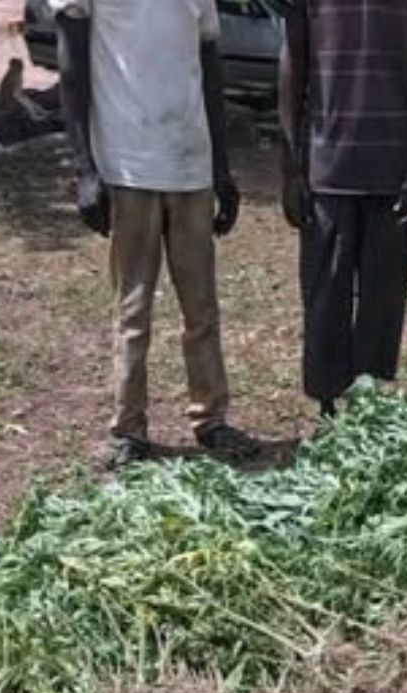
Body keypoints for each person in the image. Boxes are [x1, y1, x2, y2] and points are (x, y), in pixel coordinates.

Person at [51, 0, 258, 467]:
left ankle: (211, 419)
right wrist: (84, 167)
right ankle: (128, 428)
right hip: (128, 164)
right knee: (133, 309)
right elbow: (71, 62)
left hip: (191, 163)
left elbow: (209, 65)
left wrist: (221, 170)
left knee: (201, 307)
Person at [278, 0, 407, 418]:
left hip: (394, 169)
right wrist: (291, 169)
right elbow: (293, 61)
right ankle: (329, 409)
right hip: (326, 167)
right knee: (325, 296)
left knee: (382, 300)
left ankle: (368, 407)